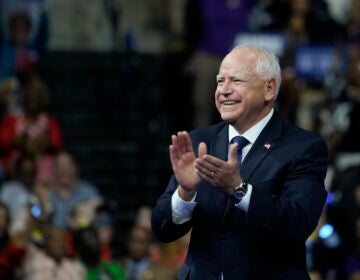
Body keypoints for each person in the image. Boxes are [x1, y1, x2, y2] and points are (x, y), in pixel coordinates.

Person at [151, 45, 328, 279]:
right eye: (219, 80)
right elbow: (162, 230)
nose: (223, 90)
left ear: (269, 88)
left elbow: (299, 223)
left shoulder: (303, 148)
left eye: (235, 81)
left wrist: (240, 191)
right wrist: (185, 192)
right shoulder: (199, 141)